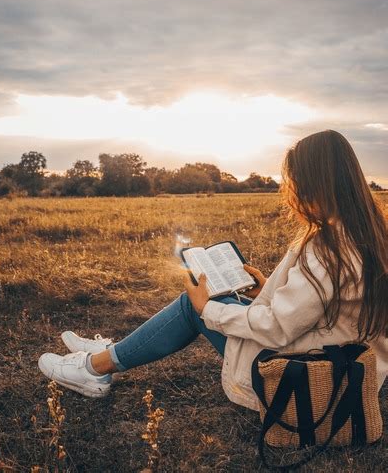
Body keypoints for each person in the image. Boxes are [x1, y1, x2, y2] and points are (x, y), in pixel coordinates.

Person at [38, 130, 388, 408]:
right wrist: (267, 287)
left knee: (193, 307)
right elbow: (326, 305)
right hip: (350, 366)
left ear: (316, 184)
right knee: (208, 304)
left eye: (296, 182)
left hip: (306, 377)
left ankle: (95, 369)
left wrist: (209, 310)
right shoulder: (371, 231)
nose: (291, 191)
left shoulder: (329, 248)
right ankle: (115, 351)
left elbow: (278, 329)